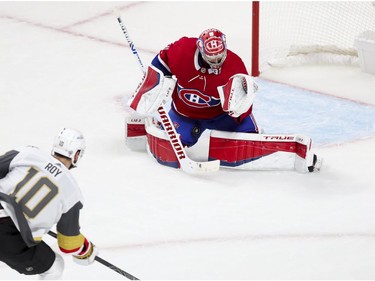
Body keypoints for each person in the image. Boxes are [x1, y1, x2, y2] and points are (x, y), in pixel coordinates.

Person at [127, 28, 321, 172]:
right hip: (185, 114)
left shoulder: (235, 66)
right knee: (168, 157)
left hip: (221, 116)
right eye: (211, 59)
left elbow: (245, 103)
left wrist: (237, 110)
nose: (217, 62)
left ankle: (249, 133)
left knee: (247, 146)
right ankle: (160, 127)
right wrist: (156, 81)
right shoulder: (183, 50)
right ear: (201, 50)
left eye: (220, 57)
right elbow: (161, 63)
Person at [0, 127, 98, 279]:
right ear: (77, 155)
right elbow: (68, 244)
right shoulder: (72, 193)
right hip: (10, 239)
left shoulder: (27, 153)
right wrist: (85, 250)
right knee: (55, 266)